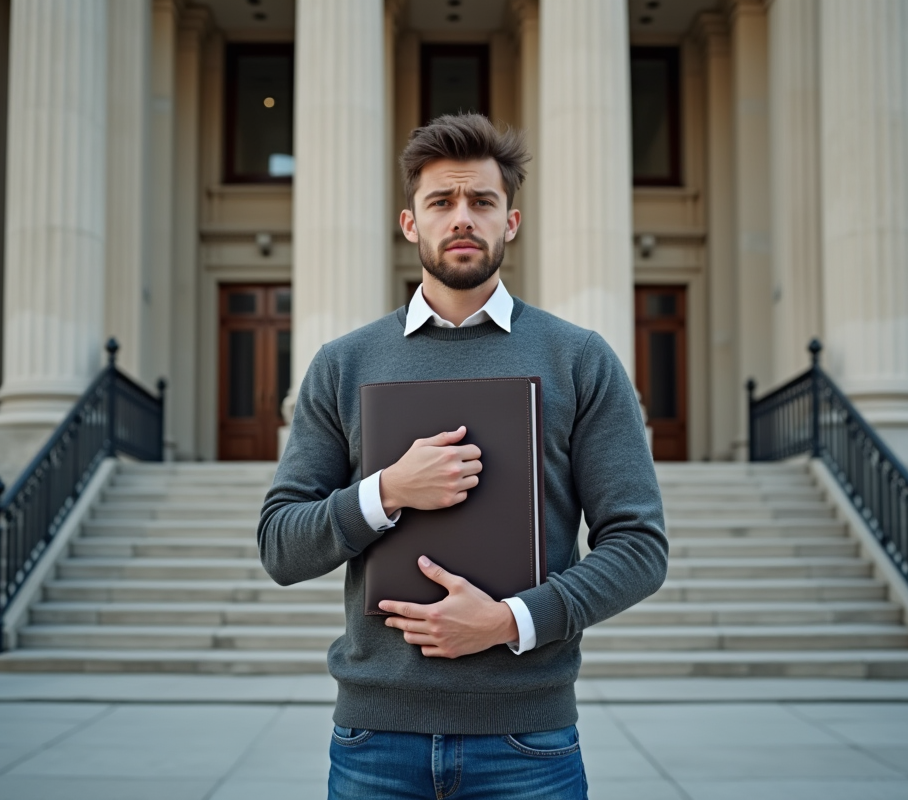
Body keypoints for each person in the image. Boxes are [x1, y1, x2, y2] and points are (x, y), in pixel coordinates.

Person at [258, 113, 668, 799]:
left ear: (511, 221)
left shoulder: (579, 358)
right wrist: (386, 491)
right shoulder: (343, 363)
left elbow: (638, 547)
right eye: (441, 202)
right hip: (373, 741)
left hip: (526, 742)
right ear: (410, 222)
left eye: (482, 201)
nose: (462, 217)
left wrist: (510, 621)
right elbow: (280, 546)